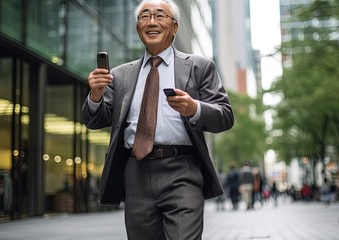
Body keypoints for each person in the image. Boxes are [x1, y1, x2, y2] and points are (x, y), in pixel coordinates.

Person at [81, 0, 234, 239]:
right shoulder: (120, 75)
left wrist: (194, 108)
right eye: (144, 16)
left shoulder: (199, 67)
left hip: (181, 171)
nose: (151, 22)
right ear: (137, 28)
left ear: (174, 27)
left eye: (160, 15)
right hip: (135, 174)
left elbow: (225, 116)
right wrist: (95, 95)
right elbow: (95, 120)